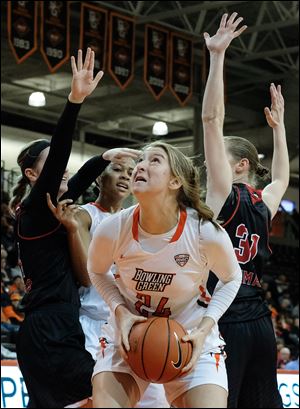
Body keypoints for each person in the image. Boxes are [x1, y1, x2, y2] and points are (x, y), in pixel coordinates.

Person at [9, 48, 141, 408]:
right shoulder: (35, 207)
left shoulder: (50, 208)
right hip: (51, 328)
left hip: (48, 327)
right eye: (51, 166)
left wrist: (103, 158)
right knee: (110, 394)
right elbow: (64, 163)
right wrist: (74, 102)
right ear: (33, 175)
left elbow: (77, 179)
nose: (62, 169)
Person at [87, 140, 242, 408]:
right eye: (141, 160)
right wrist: (120, 311)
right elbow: (97, 271)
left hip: (190, 336)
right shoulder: (114, 228)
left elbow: (231, 278)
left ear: (175, 182)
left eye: (154, 160)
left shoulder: (204, 232)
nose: (140, 166)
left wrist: (205, 329)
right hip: (128, 336)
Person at [202, 12, 289, 408]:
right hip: (260, 319)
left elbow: (211, 118)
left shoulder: (223, 194)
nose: (207, 165)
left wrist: (217, 57)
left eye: (217, 159)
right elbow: (282, 179)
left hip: (227, 316)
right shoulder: (264, 202)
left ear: (238, 166)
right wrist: (279, 127)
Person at [47, 159, 170, 408]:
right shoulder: (84, 214)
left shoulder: (143, 219)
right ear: (99, 179)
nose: (125, 176)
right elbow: (86, 275)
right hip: (93, 325)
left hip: (135, 324)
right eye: (116, 170)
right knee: (92, 401)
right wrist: (72, 231)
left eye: (129, 171)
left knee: (155, 401)